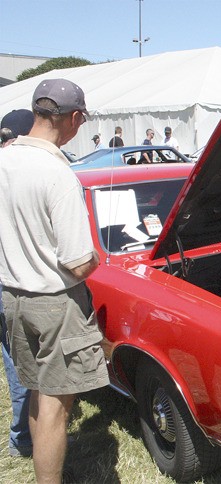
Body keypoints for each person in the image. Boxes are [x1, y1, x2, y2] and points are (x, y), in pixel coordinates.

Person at [0, 79, 110, 482]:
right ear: (75, 118)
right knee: (56, 407)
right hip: (55, 302)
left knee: (34, 391)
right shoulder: (58, 173)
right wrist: (100, 255)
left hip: (13, 296)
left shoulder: (5, 159)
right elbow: (79, 264)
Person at [0, 109, 35, 458]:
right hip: (11, 282)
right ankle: (22, 438)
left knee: (14, 358)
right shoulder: (24, 170)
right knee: (24, 362)